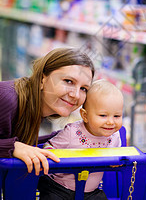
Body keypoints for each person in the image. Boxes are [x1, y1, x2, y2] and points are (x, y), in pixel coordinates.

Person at [0, 47, 95, 176]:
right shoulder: (7, 98)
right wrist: (13, 147)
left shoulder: (31, 109)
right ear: (41, 80)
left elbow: (28, 146)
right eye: (68, 81)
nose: (76, 95)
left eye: (83, 88)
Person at [38, 79, 124, 200]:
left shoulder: (115, 136)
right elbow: (49, 145)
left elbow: (117, 155)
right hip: (58, 187)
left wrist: (116, 162)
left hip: (90, 191)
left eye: (117, 116)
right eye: (103, 115)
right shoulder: (72, 132)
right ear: (85, 115)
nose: (111, 122)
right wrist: (51, 155)